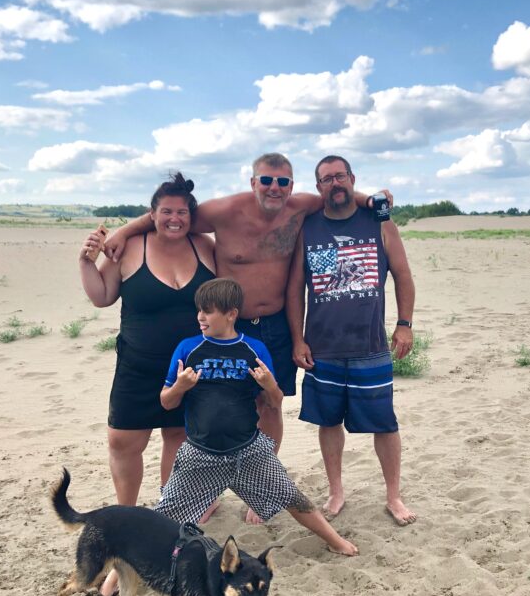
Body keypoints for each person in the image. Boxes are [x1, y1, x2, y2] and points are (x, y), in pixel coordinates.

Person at [104, 154, 390, 524]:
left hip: (275, 325)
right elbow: (175, 215)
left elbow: (338, 192)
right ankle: (204, 490)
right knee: (213, 404)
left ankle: (260, 489)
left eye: (283, 182)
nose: (276, 188)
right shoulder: (224, 211)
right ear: (253, 182)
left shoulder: (299, 205)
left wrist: (372, 200)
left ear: (292, 184)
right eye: (267, 181)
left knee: (270, 406)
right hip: (230, 326)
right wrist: (125, 231)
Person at [79, 173, 216, 596]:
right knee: (124, 442)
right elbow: (102, 296)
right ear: (152, 214)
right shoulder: (129, 247)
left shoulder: (205, 248)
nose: (174, 219)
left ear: (191, 216)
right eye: (165, 211)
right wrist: (86, 262)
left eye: (182, 212)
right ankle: (123, 540)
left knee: (177, 437)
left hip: (187, 370)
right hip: (136, 368)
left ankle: (166, 526)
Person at [155, 277, 358, 556]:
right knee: (164, 515)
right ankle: (112, 583)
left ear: (231, 314)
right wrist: (180, 387)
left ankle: (337, 542)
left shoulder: (254, 349)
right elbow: (166, 403)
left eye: (208, 311)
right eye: (199, 310)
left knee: (292, 496)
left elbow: (275, 403)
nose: (200, 317)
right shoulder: (188, 348)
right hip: (199, 452)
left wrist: (270, 384)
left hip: (249, 449)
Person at [286, 155, 417, 526]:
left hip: (370, 345)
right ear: (318, 187)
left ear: (352, 179)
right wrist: (299, 338)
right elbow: (295, 290)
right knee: (329, 422)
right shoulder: (308, 227)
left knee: (384, 423)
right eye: (326, 179)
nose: (334, 184)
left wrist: (404, 324)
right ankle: (336, 490)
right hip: (323, 346)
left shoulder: (379, 221)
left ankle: (393, 495)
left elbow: (403, 277)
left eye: (340, 176)